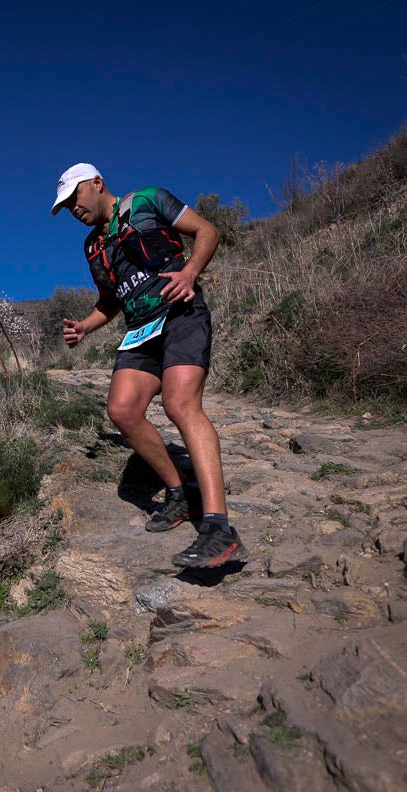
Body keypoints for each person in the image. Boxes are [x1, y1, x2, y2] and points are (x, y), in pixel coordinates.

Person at [51, 163, 248, 568]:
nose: (73, 208)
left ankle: (219, 529)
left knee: (180, 405)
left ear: (97, 183)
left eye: (75, 197)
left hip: (181, 314)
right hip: (140, 330)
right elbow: (111, 300)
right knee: (122, 409)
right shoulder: (93, 247)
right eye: (66, 205)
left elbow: (207, 231)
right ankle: (180, 493)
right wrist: (85, 327)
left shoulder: (148, 200)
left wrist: (191, 271)